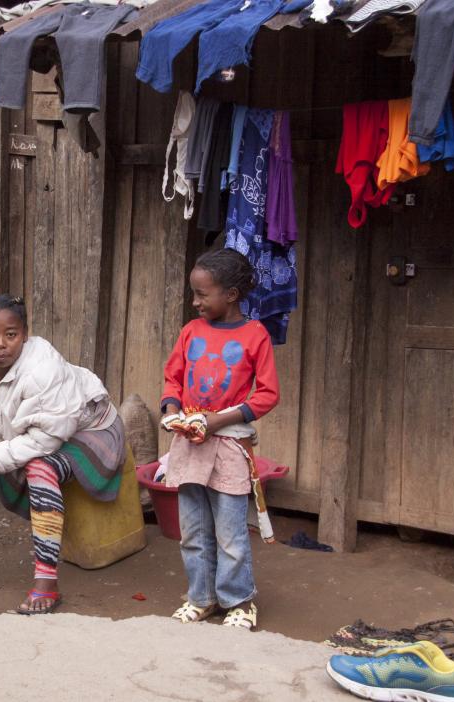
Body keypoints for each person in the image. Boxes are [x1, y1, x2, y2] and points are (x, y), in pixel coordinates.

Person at [0, 295, 126, 615]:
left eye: (11, 334)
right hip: (26, 437)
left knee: (40, 469)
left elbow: (45, 439)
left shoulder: (43, 367)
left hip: (86, 433)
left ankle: (46, 582)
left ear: (25, 333)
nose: (0, 344)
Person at [160, 249, 280, 631]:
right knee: (192, 530)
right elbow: (172, 378)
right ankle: (201, 597)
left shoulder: (255, 335)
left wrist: (216, 421)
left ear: (230, 295)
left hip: (228, 444)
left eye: (202, 294)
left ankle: (239, 601)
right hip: (189, 443)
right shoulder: (190, 332)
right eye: (193, 294)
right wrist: (171, 411)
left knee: (230, 533)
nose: (195, 302)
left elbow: (266, 394)